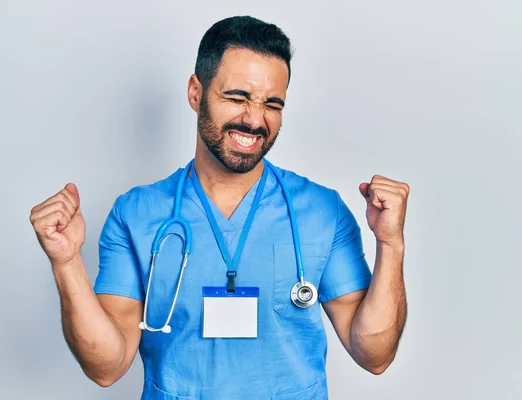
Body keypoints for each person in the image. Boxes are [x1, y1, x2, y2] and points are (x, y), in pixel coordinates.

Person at [29, 15, 409, 399]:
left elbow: (374, 355)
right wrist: (66, 263)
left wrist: (391, 244)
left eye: (271, 104)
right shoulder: (138, 214)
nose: (254, 119)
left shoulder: (321, 211)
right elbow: (106, 367)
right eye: (237, 97)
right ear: (196, 92)